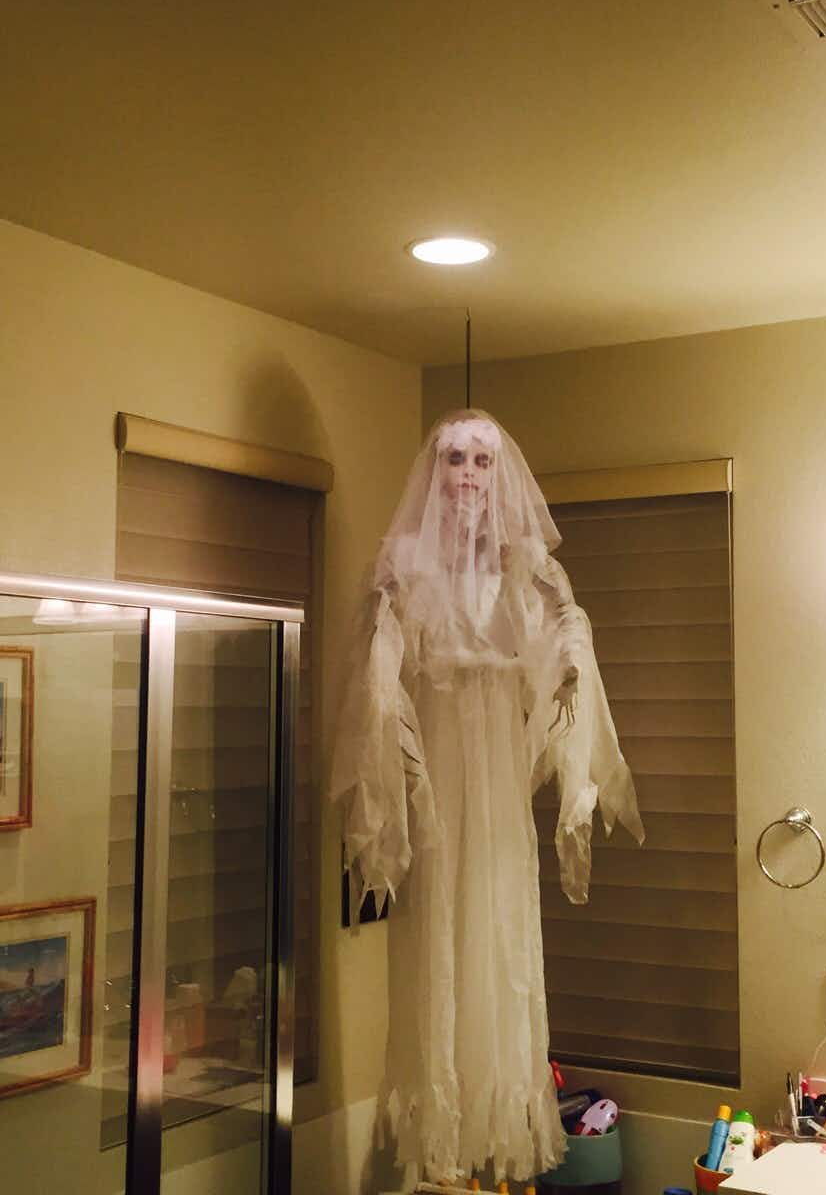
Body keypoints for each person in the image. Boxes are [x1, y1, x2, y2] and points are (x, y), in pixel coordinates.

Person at [330, 409, 643, 1183]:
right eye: (454, 459)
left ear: (499, 474)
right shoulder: (404, 565)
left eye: (480, 461)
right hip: (440, 757)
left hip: (497, 761)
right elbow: (381, 656)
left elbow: (563, 634)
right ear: (434, 470)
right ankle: (442, 1125)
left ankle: (495, 1113)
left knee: (500, 917)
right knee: (438, 923)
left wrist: (569, 662)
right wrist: (385, 688)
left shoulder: (526, 569)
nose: (467, 475)